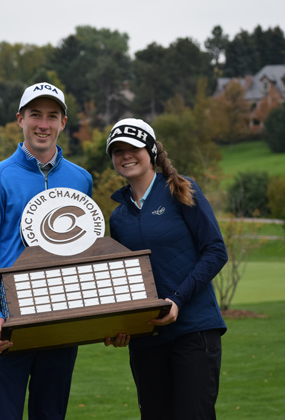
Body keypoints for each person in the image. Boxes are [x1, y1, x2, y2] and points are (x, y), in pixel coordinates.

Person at [0, 82, 93, 420]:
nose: (43, 124)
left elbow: (84, 252)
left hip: (62, 321)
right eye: (35, 115)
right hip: (10, 322)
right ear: (20, 119)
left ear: (63, 123)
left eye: (52, 116)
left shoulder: (81, 179)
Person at [103, 118, 228, 420]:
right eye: (117, 150)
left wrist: (178, 299)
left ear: (152, 152)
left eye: (133, 148)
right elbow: (122, 279)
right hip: (147, 340)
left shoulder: (181, 190)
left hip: (194, 331)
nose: (126, 155)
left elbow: (215, 251)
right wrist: (117, 325)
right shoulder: (118, 217)